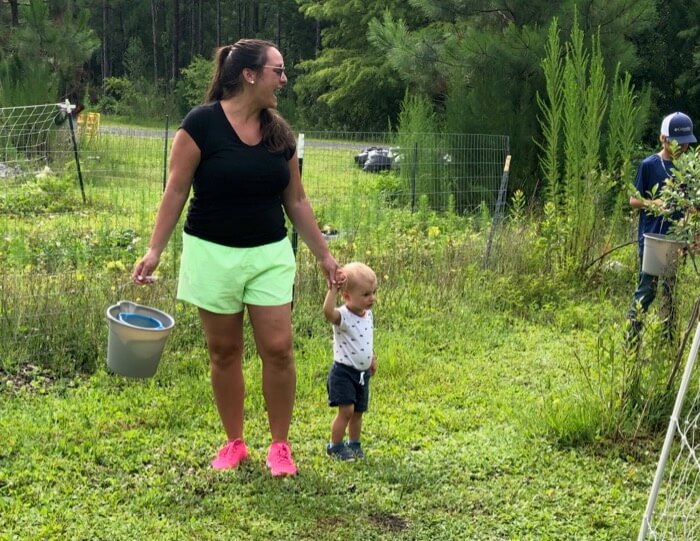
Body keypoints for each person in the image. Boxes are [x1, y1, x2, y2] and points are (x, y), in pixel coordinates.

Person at [132, 39, 340, 477]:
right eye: (277, 71)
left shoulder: (278, 132)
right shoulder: (200, 125)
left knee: (279, 349)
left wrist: (324, 255)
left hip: (268, 253)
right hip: (211, 254)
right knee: (224, 351)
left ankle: (279, 446)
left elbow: (297, 201)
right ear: (249, 74)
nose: (283, 79)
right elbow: (175, 190)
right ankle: (235, 442)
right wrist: (154, 250)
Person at [626, 112, 697, 341]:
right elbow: (633, 200)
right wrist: (653, 202)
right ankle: (632, 340)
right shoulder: (649, 165)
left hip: (677, 241)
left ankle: (667, 342)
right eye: (676, 142)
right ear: (663, 139)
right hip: (652, 240)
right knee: (647, 290)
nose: (681, 148)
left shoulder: (687, 170)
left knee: (671, 292)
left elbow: (692, 205)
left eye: (685, 144)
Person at [322, 262, 377, 460]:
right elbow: (327, 312)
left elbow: (366, 338)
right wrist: (333, 290)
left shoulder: (367, 314)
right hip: (343, 373)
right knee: (346, 411)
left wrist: (371, 357)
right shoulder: (343, 316)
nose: (372, 298)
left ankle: (354, 443)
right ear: (346, 297)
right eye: (366, 294)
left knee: (358, 412)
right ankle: (334, 446)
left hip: (362, 374)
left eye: (373, 292)